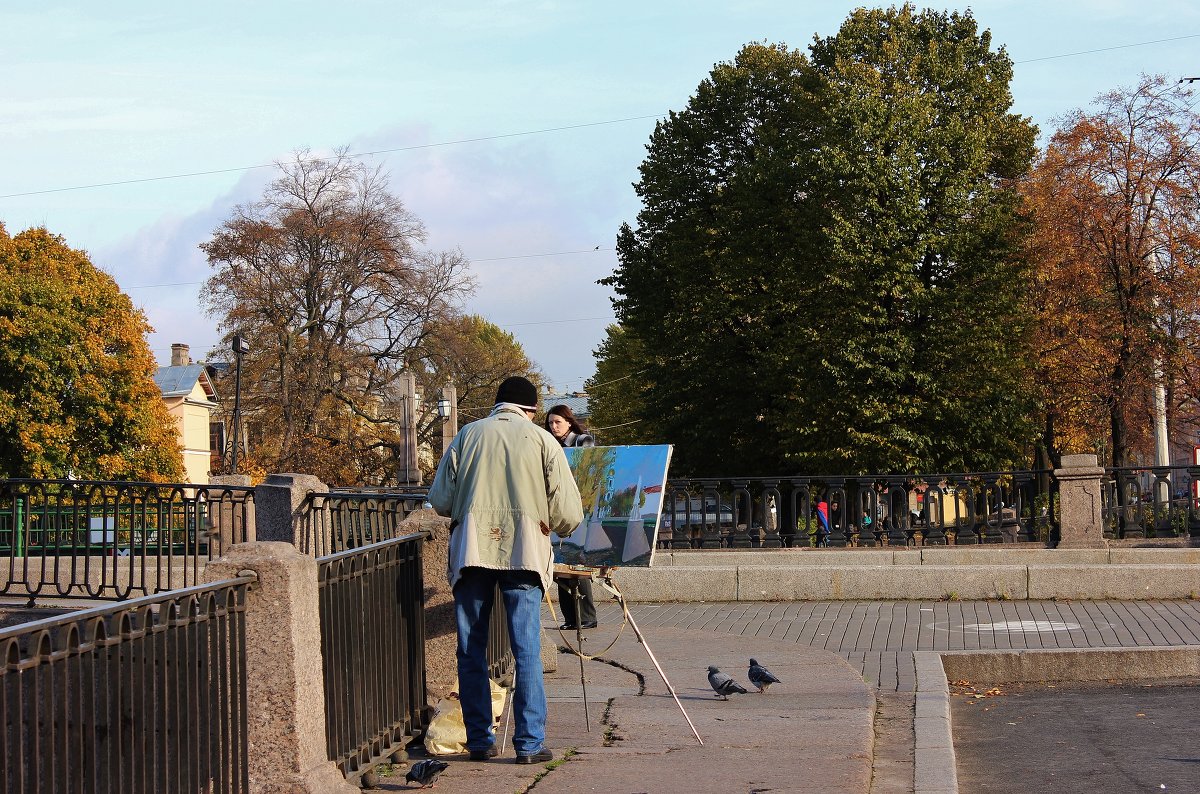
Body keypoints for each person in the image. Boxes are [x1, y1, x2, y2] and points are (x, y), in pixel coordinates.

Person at [428, 376, 584, 765]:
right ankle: (529, 745)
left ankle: (479, 740)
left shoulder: (467, 435)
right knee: (526, 649)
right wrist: (554, 526)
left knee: (471, 650)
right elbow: (568, 514)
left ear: (497, 405)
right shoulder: (544, 441)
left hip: (472, 551)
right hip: (526, 553)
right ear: (531, 410)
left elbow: (441, 500)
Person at [544, 404, 598, 630]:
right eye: (550, 423)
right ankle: (570, 618)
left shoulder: (581, 441)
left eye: (557, 422)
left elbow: (586, 471)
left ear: (569, 422)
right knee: (560, 563)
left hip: (578, 508)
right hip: (554, 509)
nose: (553, 426)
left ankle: (586, 617)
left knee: (577, 563)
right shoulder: (547, 443)